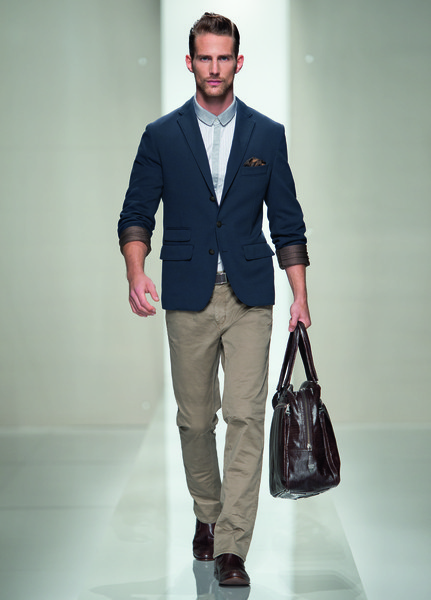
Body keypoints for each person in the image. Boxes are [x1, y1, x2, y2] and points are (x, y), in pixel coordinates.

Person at [118, 12, 311, 587]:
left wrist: (299, 296)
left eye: (224, 57)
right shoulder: (161, 135)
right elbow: (135, 213)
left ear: (238, 62)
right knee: (196, 419)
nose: (214, 67)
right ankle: (207, 511)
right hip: (187, 295)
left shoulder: (266, 134)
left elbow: (288, 221)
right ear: (190, 62)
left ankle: (231, 545)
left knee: (246, 416)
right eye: (205, 57)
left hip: (250, 295)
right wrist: (136, 272)